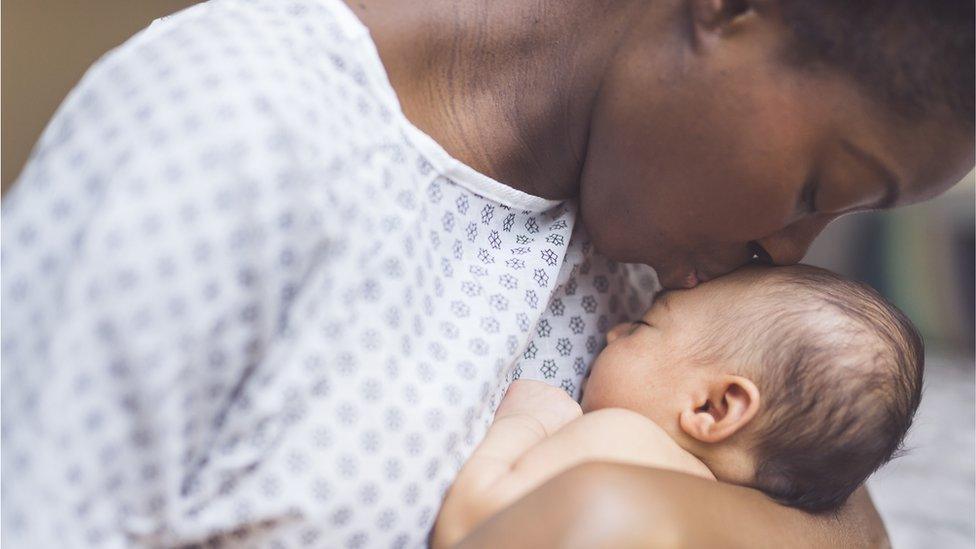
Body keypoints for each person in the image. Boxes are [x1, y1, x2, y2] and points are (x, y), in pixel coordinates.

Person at [0, 0, 971, 546]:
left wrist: (634, 516)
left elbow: (849, 526)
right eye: (816, 187)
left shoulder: (661, 253)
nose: (788, 253)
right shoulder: (233, 131)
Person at [432, 264, 923, 547]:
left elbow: (469, 523)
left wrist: (528, 418)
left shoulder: (624, 440)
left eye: (645, 325)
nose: (614, 330)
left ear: (713, 408)